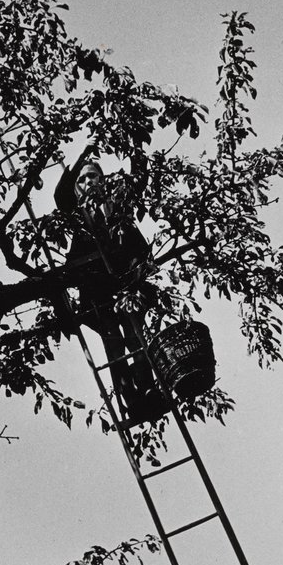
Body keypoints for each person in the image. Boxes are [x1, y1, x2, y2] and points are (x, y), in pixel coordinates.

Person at [54, 156, 168, 426]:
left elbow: (138, 180)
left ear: (103, 180)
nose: (87, 182)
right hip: (97, 290)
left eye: (92, 176)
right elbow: (61, 193)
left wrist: (134, 148)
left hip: (127, 282)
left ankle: (148, 391)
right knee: (113, 344)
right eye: (81, 179)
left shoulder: (116, 203)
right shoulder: (76, 214)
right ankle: (132, 399)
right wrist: (83, 153)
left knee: (135, 337)